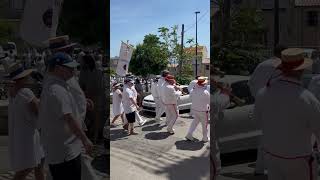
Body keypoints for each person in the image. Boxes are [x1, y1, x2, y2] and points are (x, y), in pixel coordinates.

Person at [254, 48, 320, 180]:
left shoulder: (263, 92)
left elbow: (257, 121)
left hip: (272, 156)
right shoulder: (307, 98)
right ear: (301, 70)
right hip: (298, 158)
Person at [38, 52, 93, 180]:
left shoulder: (54, 86)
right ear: (58, 69)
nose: (73, 71)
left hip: (61, 150)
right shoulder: (56, 90)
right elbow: (69, 118)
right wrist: (85, 139)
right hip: (66, 152)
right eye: (70, 68)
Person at [247, 44, 287, 175]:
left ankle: (260, 167)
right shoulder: (283, 66)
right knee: (280, 139)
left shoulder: (262, 65)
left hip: (262, 105)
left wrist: (258, 97)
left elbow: (250, 83)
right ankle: (274, 168)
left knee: (266, 137)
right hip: (280, 106)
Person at [7, 63, 45, 180]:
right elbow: (38, 110)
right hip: (29, 135)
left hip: (20, 133)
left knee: (39, 164)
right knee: (28, 167)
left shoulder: (12, 92)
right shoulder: (26, 92)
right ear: (22, 78)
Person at [185, 76, 210, 142]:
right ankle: (205, 138)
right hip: (203, 111)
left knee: (195, 122)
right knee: (205, 125)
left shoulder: (193, 90)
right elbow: (209, 102)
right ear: (204, 84)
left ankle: (189, 134)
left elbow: (190, 98)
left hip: (195, 109)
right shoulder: (205, 92)